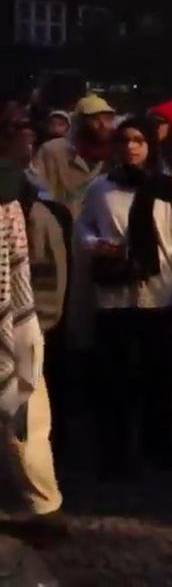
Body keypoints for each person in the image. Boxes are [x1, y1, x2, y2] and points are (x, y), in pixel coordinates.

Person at [75, 118, 172, 478]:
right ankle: (115, 454)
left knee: (158, 379)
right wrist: (96, 245)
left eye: (139, 140)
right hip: (114, 294)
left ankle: (157, 448)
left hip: (157, 295)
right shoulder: (101, 189)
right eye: (125, 140)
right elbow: (84, 226)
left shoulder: (168, 189)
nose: (131, 147)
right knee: (114, 379)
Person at [0, 107, 68, 547]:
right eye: (19, 132)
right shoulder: (14, 185)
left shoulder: (14, 185)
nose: (30, 142)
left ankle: (46, 510)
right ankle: (45, 510)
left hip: (13, 318)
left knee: (25, 414)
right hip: (15, 321)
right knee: (25, 415)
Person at [31, 94, 116, 219]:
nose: (103, 125)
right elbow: (37, 189)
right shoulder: (52, 150)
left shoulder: (117, 154)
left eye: (107, 118)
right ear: (79, 122)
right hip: (61, 224)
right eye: (95, 119)